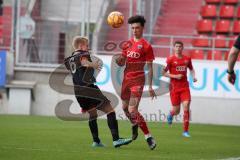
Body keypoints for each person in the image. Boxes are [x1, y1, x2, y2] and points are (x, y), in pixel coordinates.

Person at [65, 36, 132, 148]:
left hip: (78, 92)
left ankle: (96, 141)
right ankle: (116, 140)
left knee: (93, 115)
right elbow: (85, 62)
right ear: (81, 46)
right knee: (110, 111)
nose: (88, 47)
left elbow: (78, 71)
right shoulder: (83, 55)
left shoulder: (69, 59)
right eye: (86, 45)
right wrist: (93, 65)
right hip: (89, 89)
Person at [115, 15, 157, 150]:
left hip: (138, 80)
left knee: (133, 109)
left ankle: (148, 137)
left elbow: (150, 67)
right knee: (124, 108)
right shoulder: (127, 44)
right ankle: (134, 124)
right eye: (132, 28)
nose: (134, 30)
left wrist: (150, 86)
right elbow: (122, 61)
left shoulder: (146, 46)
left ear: (142, 28)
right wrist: (119, 60)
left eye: (137, 27)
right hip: (126, 79)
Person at [162, 41, 197, 138]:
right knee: (176, 111)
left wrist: (193, 77)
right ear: (174, 48)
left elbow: (191, 69)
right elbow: (163, 73)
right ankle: (171, 114)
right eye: (176, 46)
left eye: (180, 46)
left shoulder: (187, 59)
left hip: (184, 87)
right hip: (174, 88)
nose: (178, 48)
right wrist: (175, 76)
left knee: (186, 106)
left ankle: (185, 131)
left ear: (182, 48)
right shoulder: (170, 59)